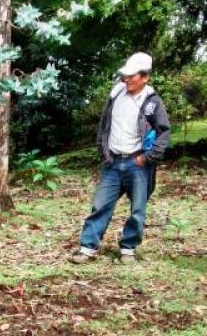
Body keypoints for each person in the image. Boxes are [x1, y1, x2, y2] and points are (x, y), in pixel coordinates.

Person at [70, 52, 171, 264]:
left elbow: (164, 133)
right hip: (113, 161)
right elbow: (104, 125)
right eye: (125, 75)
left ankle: (128, 248)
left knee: (137, 210)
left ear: (145, 77)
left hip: (138, 163)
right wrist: (103, 149)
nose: (127, 79)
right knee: (100, 205)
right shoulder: (116, 94)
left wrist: (148, 158)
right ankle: (87, 247)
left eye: (132, 76)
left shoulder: (152, 102)